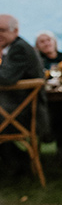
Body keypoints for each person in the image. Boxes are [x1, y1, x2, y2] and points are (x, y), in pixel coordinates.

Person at [0, 14, 50, 170]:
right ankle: (17, 162)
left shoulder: (19, 49)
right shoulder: (14, 47)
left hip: (25, 114)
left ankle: (19, 162)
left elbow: (5, 78)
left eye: (2, 30)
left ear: (15, 31)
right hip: (16, 110)